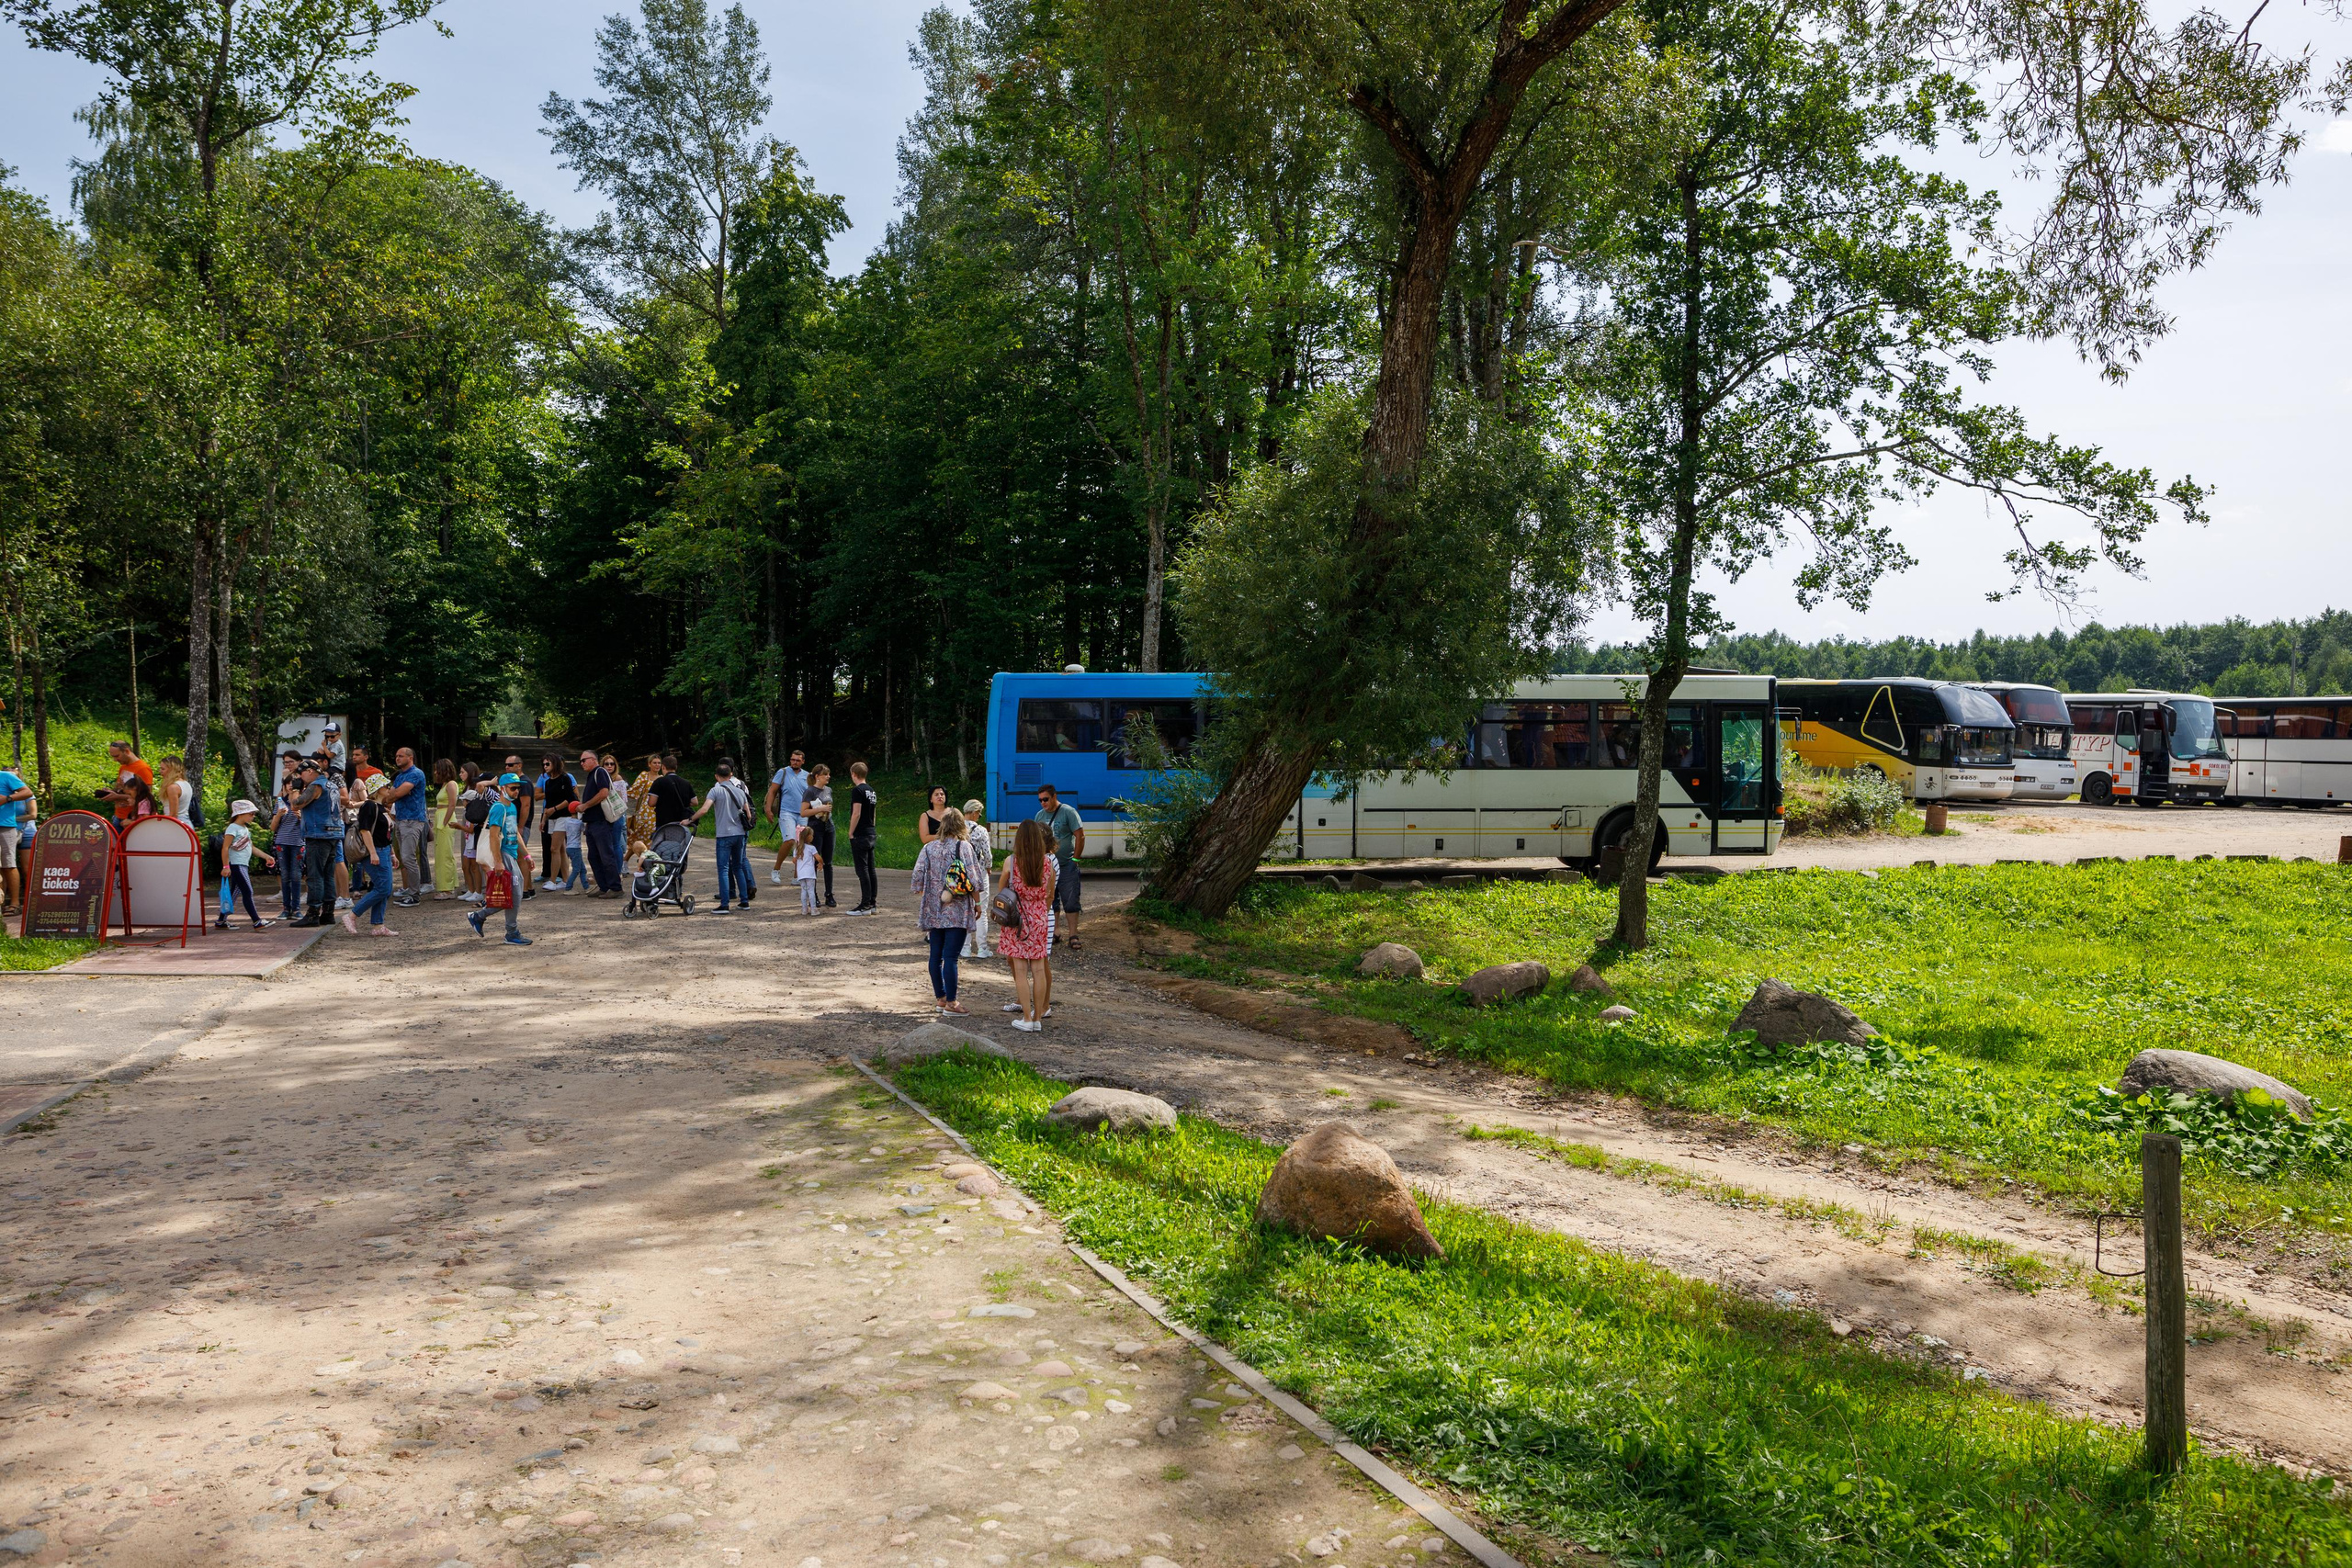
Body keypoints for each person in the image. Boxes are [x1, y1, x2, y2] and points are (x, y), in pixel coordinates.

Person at [910, 807, 985, 1015]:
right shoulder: (964, 847)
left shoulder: (928, 848)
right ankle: (952, 1004)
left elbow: (917, 877)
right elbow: (974, 879)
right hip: (957, 908)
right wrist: (977, 904)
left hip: (933, 909)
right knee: (951, 957)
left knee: (936, 956)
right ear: (961, 825)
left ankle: (941, 999)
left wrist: (930, 892)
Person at [994, 818, 1057, 1032]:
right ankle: (1038, 1018)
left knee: (1020, 971)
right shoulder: (1048, 863)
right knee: (1039, 969)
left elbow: (1002, 891)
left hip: (1017, 921)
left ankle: (1027, 1018)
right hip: (1040, 919)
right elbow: (1050, 895)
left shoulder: (1011, 862)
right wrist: (1040, 909)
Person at [468, 773, 532, 945]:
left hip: (511, 855)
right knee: (516, 894)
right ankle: (511, 933)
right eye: (513, 788)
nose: (517, 791)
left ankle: (479, 916)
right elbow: (494, 837)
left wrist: (526, 855)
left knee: (514, 895)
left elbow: (516, 833)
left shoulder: (511, 807)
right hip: (503, 855)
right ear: (502, 788)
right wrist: (498, 861)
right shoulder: (498, 808)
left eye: (519, 788)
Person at [292, 760, 347, 930]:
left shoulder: (315, 786)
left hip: (318, 834)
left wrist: (294, 789)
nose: (300, 778)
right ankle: (328, 913)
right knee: (327, 874)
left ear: (309, 771)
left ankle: (313, 913)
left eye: (300, 774)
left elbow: (296, 804)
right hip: (333, 833)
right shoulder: (331, 785)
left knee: (315, 875)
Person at [696, 759, 756, 912]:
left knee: (723, 869)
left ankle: (724, 904)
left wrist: (689, 820)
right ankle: (744, 902)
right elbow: (748, 816)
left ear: (717, 776)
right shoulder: (741, 791)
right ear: (730, 775)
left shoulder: (715, 791)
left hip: (724, 835)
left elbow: (704, 810)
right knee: (738, 867)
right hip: (740, 835)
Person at [1035, 782, 1086, 953]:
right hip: (1046, 867)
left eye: (1046, 799)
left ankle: (1073, 934)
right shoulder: (1039, 816)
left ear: (1054, 796)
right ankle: (1055, 931)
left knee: (1071, 900)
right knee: (1051, 899)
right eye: (1040, 800)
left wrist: (1076, 859)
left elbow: (1080, 835)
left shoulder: (1068, 812)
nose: (1043, 803)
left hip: (1066, 864)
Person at [214, 799, 276, 931]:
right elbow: (225, 848)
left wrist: (266, 856)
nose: (253, 816)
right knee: (248, 891)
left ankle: (221, 921)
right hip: (237, 865)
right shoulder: (232, 828)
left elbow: (251, 847)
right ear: (241, 814)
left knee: (234, 893)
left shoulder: (245, 829)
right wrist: (226, 867)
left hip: (242, 864)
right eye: (251, 813)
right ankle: (256, 921)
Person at [350, 780, 397, 936]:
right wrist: (373, 852)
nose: (388, 788)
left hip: (383, 850)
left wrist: (392, 853)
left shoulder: (381, 808)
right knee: (383, 888)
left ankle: (378, 925)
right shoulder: (369, 806)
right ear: (377, 790)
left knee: (384, 888)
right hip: (375, 851)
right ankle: (353, 915)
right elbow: (365, 830)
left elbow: (385, 834)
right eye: (385, 786)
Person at [574, 749, 623, 897]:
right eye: (580, 761)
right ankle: (604, 887)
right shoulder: (592, 775)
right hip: (592, 823)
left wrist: (585, 805)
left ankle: (615, 888)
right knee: (594, 856)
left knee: (606, 855)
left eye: (584, 760)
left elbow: (604, 793)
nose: (581, 763)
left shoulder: (600, 772)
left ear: (594, 760)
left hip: (601, 822)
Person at [387, 746, 430, 906]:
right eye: (396, 756)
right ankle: (411, 892)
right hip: (400, 820)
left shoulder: (416, 774)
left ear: (410, 758)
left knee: (408, 857)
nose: (397, 758)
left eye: (401, 756)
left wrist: (397, 793)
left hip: (413, 820)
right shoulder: (400, 776)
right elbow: (389, 798)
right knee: (404, 858)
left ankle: (414, 895)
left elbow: (395, 794)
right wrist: (397, 793)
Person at [270, 768, 308, 919]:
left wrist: (301, 818)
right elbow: (273, 828)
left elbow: (309, 826)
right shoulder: (280, 802)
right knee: (285, 875)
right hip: (282, 842)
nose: (291, 786)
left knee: (297, 875)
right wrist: (278, 815)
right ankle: (286, 908)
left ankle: (297, 909)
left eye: (294, 783)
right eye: (288, 783)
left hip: (298, 842)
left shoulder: (305, 802)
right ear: (284, 786)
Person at [766, 748, 808, 885]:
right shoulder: (783, 772)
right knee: (790, 840)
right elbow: (772, 791)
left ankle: (797, 876)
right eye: (792, 759)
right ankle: (776, 869)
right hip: (786, 812)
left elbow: (812, 795)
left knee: (801, 844)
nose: (794, 762)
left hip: (802, 813)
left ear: (802, 762)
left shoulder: (808, 776)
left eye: (797, 760)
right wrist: (768, 809)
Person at [843, 761, 879, 915]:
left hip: (861, 833)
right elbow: (873, 813)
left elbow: (856, 813)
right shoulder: (871, 790)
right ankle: (872, 903)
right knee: (871, 869)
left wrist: (851, 832)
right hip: (871, 831)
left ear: (854, 774)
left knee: (862, 870)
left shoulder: (857, 791)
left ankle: (864, 904)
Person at [961, 799, 994, 961]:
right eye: (979, 814)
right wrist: (989, 867)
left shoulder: (958, 828)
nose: (979, 816)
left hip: (962, 875)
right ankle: (982, 948)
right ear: (974, 812)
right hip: (979, 873)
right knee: (981, 909)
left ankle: (965, 948)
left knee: (966, 910)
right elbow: (987, 853)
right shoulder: (980, 830)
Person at [537, 752, 576, 890]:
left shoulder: (565, 779)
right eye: (543, 764)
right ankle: (566, 881)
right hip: (552, 817)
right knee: (560, 849)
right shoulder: (547, 781)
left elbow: (571, 798)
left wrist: (555, 809)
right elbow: (547, 801)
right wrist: (543, 819)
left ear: (555, 764)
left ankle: (553, 880)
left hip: (563, 816)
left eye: (548, 764)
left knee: (554, 848)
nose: (545, 766)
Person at [503, 752, 538, 897]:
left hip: (520, 825)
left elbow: (526, 806)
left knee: (520, 856)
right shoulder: (515, 781)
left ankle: (523, 891)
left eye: (510, 765)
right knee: (521, 856)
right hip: (516, 824)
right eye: (505, 764)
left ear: (519, 765)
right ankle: (529, 888)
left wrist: (521, 826)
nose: (507, 767)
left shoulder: (524, 782)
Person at [0, 761, 32, 917]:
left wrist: (7, 799)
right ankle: (1, 903)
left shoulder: (5, 776)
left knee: (8, 864)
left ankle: (14, 903)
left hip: (5, 826)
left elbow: (27, 792)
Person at [802, 764, 836, 908]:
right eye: (825, 774)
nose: (828, 776)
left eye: (828, 774)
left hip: (829, 826)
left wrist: (826, 811)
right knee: (816, 861)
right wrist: (820, 808)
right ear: (817, 776)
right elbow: (803, 812)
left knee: (828, 862)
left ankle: (829, 894)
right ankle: (813, 895)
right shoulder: (810, 791)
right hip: (816, 828)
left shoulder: (828, 790)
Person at [95, 740, 153, 825]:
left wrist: (118, 796)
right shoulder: (123, 767)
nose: (115, 760)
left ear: (127, 751)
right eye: (113, 757)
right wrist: (112, 792)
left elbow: (147, 796)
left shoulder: (143, 769)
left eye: (117, 756)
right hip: (118, 814)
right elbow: (121, 788)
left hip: (132, 818)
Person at [429, 760, 462, 898]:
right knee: (442, 855)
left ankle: (447, 889)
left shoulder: (451, 784)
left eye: (438, 769)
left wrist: (444, 822)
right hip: (440, 818)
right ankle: (449, 885)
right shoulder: (444, 784)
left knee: (445, 856)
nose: (435, 772)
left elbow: (452, 804)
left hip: (446, 821)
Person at [460, 762, 492, 902]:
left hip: (473, 840)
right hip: (469, 842)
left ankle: (479, 891)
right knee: (466, 865)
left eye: (465, 801)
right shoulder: (469, 812)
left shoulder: (474, 813)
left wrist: (457, 826)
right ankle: (471, 889)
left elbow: (471, 829)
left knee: (476, 866)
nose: (463, 803)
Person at [154, 756, 194, 825]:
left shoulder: (173, 787)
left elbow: (173, 815)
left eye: (163, 769)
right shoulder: (186, 783)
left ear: (172, 769)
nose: (160, 771)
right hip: (185, 823)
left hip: (176, 825)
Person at [793, 825, 822, 914]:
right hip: (809, 873)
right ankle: (813, 909)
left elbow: (794, 861)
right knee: (811, 890)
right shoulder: (811, 848)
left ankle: (804, 909)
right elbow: (818, 858)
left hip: (801, 874)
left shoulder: (796, 849)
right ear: (808, 837)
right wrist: (821, 863)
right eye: (812, 835)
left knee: (804, 891)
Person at [917, 785, 948, 849]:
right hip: (934, 849)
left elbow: (962, 831)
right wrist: (944, 836)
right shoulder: (925, 816)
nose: (940, 796)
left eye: (942, 794)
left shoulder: (954, 812)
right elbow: (924, 839)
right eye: (936, 795)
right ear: (931, 799)